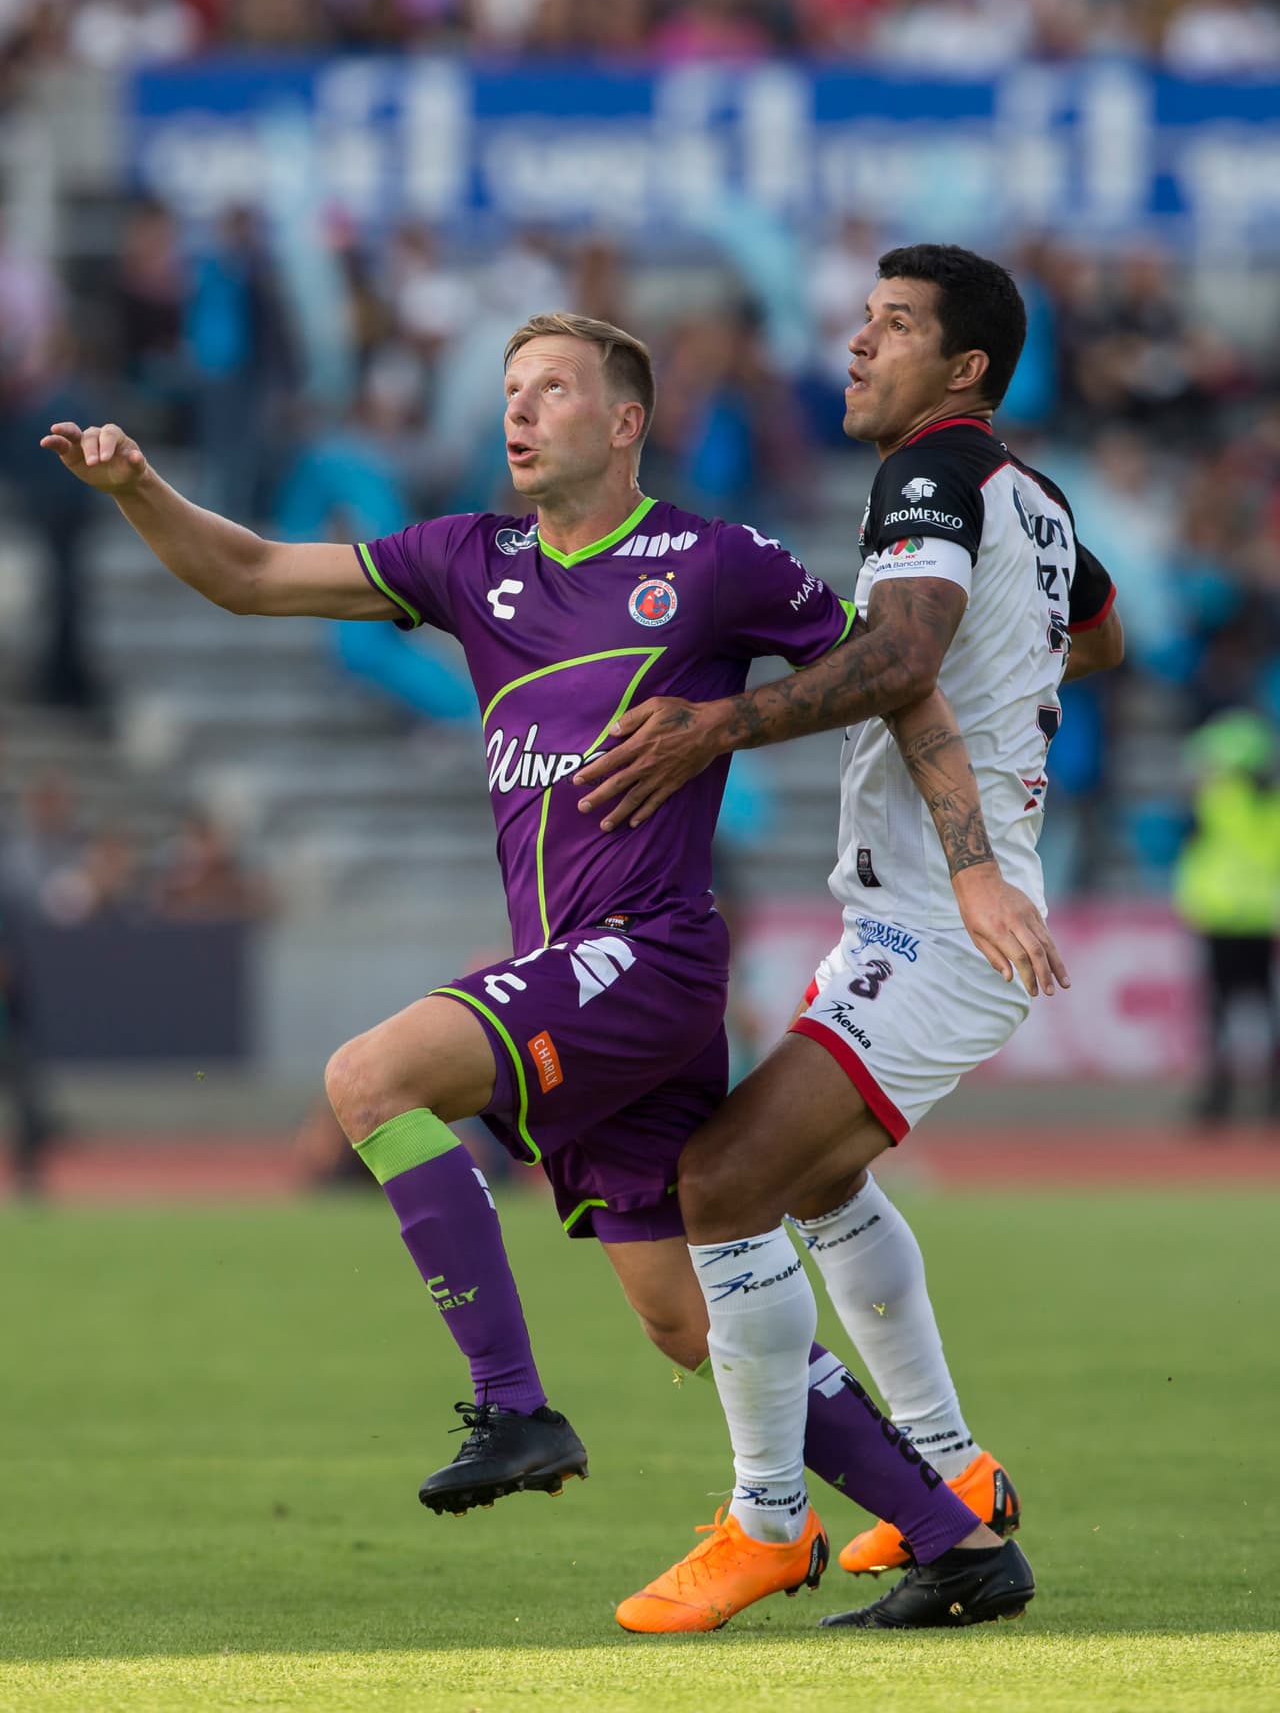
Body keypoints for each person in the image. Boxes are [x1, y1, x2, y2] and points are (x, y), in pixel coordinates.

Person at [41, 307, 1062, 1628]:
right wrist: (138, 491)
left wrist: (972, 863)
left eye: (554, 390)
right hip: (576, 970)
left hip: (647, 957)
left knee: (370, 1081)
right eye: (512, 389)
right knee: (695, 1325)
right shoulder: (470, 561)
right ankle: (958, 1539)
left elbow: (899, 680)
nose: (518, 412)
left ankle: (514, 1410)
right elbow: (246, 576)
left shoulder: (714, 562)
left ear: (626, 421)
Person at [576, 246, 1124, 1632]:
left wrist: (718, 723)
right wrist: (1015, 675)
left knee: (720, 1183)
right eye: (862, 319)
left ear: (965, 370)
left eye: (893, 326)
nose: (857, 344)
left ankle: (771, 1520)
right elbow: (1100, 636)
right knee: (814, 1193)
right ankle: (955, 1475)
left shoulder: (930, 473)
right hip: (908, 912)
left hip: (946, 921)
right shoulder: (1035, 495)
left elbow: (899, 662)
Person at [1172, 710, 1280, 1125]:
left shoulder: (1217, 799)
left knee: (1218, 1014)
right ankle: (1271, 1099)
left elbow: (1188, 806)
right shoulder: (1269, 804)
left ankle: (1218, 1100)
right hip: (1260, 918)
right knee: (1265, 1009)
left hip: (1220, 918)